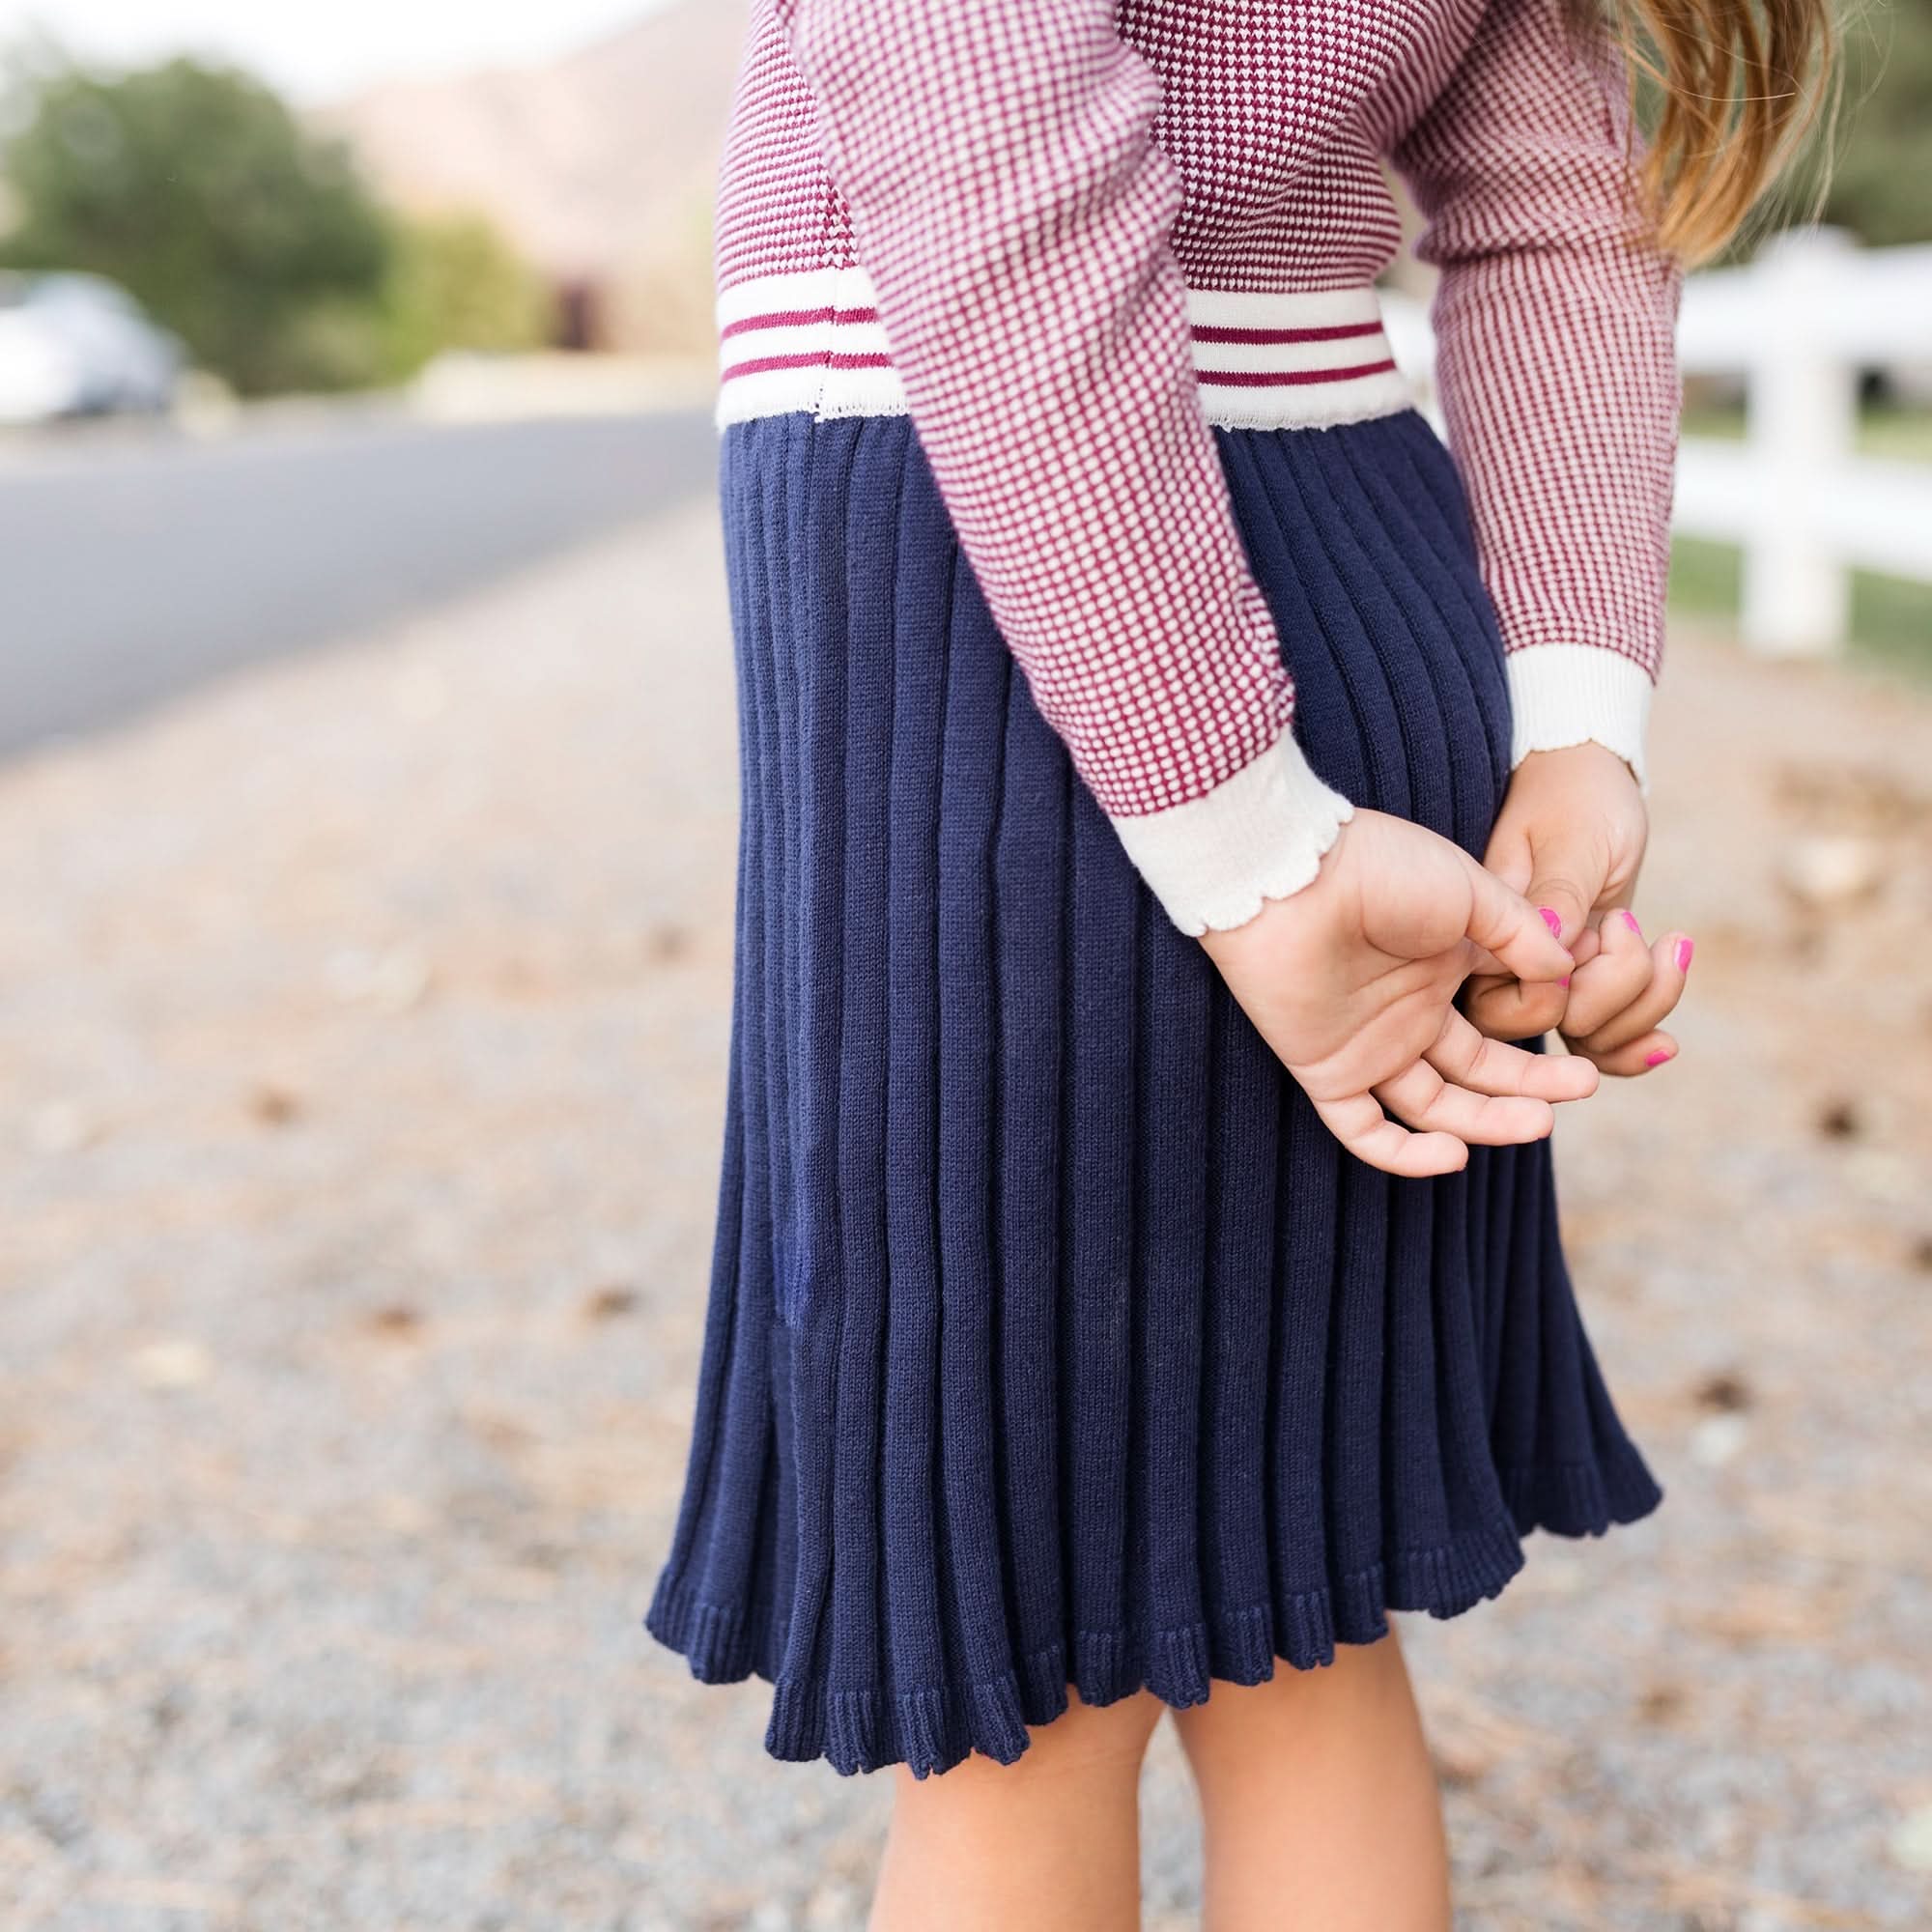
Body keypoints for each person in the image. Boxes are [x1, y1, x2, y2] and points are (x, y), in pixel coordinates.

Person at [647, 0, 1834, 1923]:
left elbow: (991, 160)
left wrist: (1262, 845)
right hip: (1351, 550)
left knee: (1025, 1664)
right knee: (1303, 1600)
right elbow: (1558, 209)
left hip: (974, 522)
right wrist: (1568, 732)